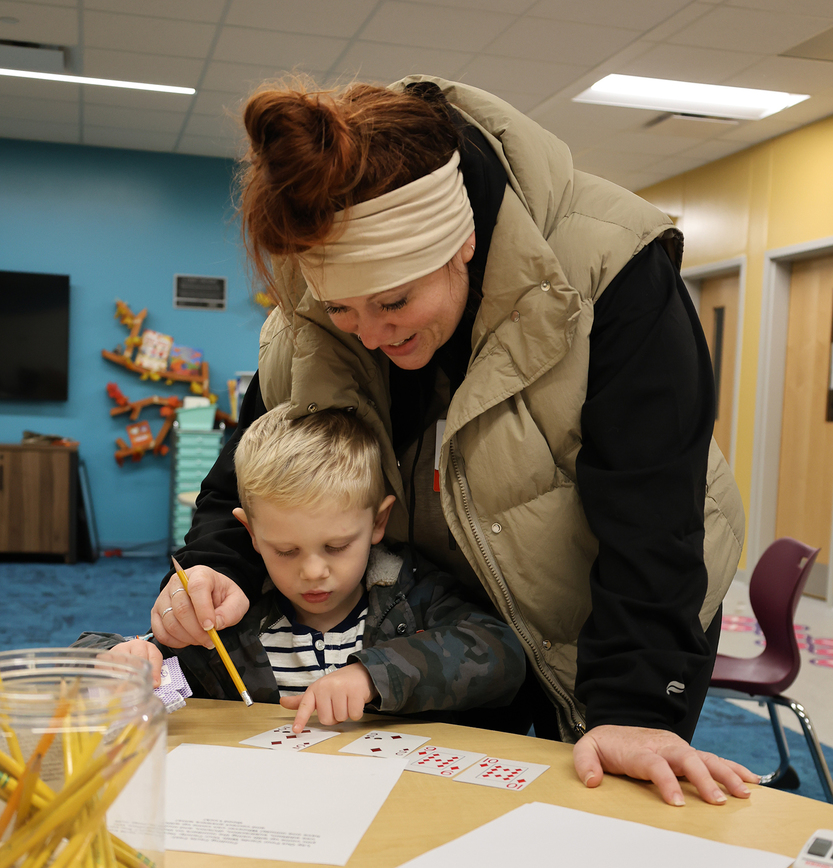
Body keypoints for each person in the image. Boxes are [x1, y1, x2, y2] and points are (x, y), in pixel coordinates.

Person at [151, 75, 756, 807]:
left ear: (464, 239)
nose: (372, 334)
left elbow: (652, 506)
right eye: (343, 308)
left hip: (616, 609)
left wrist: (635, 705)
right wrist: (217, 566)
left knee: (598, 813)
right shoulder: (311, 312)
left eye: (395, 301)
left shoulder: (611, 267)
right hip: (438, 616)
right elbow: (247, 470)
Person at [104, 405, 526, 729]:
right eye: (286, 551)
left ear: (378, 522)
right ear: (250, 534)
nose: (312, 571)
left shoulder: (414, 594)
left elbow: (502, 656)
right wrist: (124, 660)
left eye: (337, 546)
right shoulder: (231, 620)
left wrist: (371, 675)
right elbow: (88, 661)